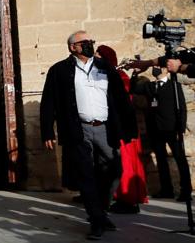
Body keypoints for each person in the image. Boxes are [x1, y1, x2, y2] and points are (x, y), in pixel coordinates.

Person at [40, 31, 137, 240]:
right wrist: (48, 130)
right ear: (73, 47)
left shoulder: (105, 68)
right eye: (84, 42)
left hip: (105, 128)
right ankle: (96, 220)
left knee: (113, 170)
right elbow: (49, 102)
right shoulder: (59, 70)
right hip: (78, 129)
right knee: (85, 175)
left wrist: (129, 128)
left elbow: (121, 99)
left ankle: (100, 212)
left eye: (90, 42)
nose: (89, 45)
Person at [95, 45, 148, 214]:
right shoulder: (110, 75)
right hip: (115, 127)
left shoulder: (119, 77)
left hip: (121, 128)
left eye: (98, 57)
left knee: (125, 163)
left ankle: (128, 199)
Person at [131, 67, 191, 201]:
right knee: (161, 159)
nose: (155, 69)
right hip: (155, 129)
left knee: (179, 158)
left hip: (171, 129)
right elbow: (133, 88)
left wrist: (180, 129)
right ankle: (166, 189)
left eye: (158, 67)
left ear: (166, 70)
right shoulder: (150, 86)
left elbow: (182, 108)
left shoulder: (175, 86)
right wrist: (135, 73)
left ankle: (185, 190)